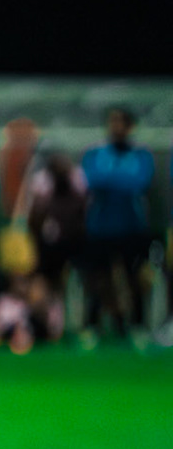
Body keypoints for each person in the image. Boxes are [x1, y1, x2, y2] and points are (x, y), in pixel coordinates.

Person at [78, 107, 155, 338]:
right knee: (97, 279)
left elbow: (140, 181)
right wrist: (121, 180)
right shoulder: (95, 153)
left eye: (122, 122)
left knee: (134, 278)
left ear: (130, 126)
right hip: (100, 228)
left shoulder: (141, 154)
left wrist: (111, 181)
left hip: (132, 227)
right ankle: (92, 325)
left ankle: (138, 325)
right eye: (113, 122)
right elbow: (91, 179)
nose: (117, 127)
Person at [18, 149, 88, 292]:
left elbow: (85, 210)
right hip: (49, 243)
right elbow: (33, 218)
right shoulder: (41, 183)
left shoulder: (78, 180)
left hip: (75, 240)